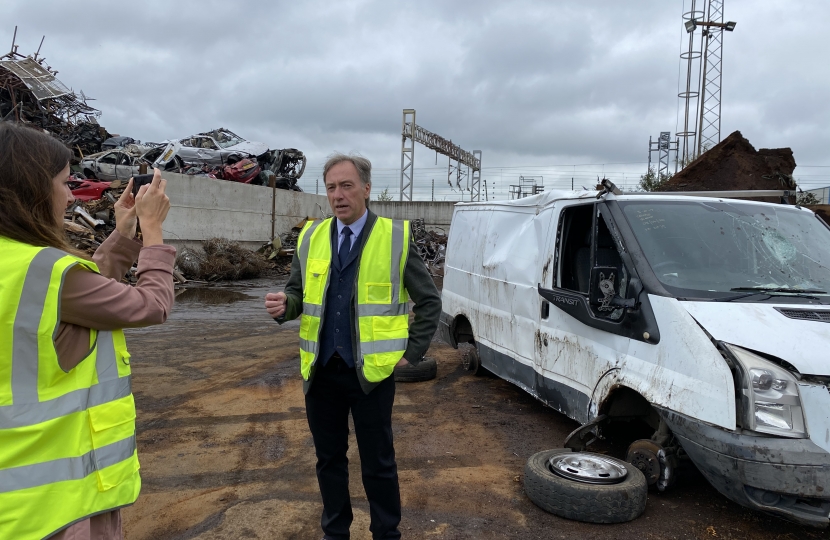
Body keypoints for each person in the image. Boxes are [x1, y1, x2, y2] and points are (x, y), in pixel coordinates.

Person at [0, 123, 175, 540]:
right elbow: (151, 306)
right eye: (64, 183)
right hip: (56, 500)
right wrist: (152, 231)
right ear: (34, 189)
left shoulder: (20, 265)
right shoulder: (44, 270)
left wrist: (120, 235)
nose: (70, 195)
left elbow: (82, 299)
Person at [264, 153, 441, 539]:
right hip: (321, 372)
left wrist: (411, 353)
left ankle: (386, 533)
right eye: (331, 187)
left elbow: (429, 302)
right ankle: (336, 533)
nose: (338, 195)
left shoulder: (394, 237)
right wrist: (284, 306)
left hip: (371, 375)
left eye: (346, 186)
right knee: (329, 461)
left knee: (378, 463)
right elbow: (298, 295)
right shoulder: (311, 237)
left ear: (366, 188)